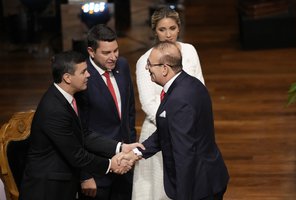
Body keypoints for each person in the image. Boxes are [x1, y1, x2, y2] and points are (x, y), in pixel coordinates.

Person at [19, 51, 142, 200]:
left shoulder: (67, 98)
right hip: (47, 189)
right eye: (83, 72)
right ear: (67, 78)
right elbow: (77, 155)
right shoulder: (54, 109)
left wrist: (121, 147)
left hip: (63, 182)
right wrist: (111, 164)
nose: (88, 75)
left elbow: (84, 135)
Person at [136, 41, 229, 200]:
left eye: (150, 64)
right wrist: (136, 152)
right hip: (208, 176)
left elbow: (184, 154)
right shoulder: (190, 84)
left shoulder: (179, 100)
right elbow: (167, 130)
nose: (147, 68)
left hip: (199, 186)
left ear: (165, 68)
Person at [133, 6, 205, 200]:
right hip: (159, 129)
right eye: (162, 29)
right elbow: (148, 103)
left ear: (179, 28)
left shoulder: (189, 51)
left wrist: (188, 122)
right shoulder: (145, 61)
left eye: (172, 28)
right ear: (154, 31)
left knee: (190, 182)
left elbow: (199, 88)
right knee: (159, 190)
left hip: (188, 128)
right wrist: (174, 124)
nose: (168, 34)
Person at [75, 24, 136, 200]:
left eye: (115, 50)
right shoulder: (81, 77)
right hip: (97, 170)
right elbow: (79, 132)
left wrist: (130, 154)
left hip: (125, 165)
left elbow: (129, 112)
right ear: (91, 51)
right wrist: (85, 175)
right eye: (106, 53)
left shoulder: (122, 65)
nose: (113, 57)